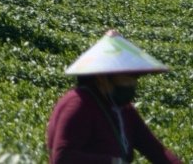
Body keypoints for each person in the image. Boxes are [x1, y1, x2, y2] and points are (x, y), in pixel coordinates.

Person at [46, 30, 183, 164]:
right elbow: (63, 157)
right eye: (128, 77)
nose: (133, 83)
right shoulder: (78, 104)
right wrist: (112, 162)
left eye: (136, 77)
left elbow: (156, 151)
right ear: (102, 77)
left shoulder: (124, 110)